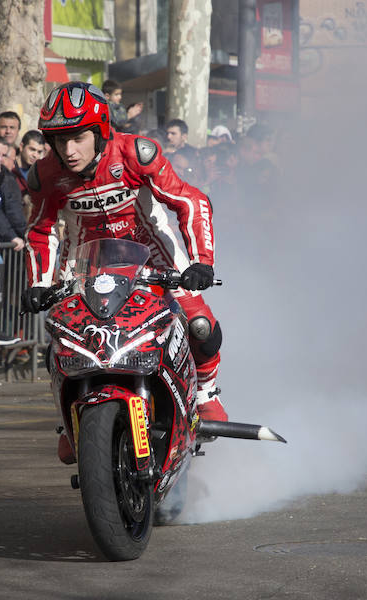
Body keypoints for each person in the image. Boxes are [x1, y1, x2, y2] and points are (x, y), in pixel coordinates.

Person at [23, 82, 227, 441]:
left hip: (154, 257)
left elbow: (189, 201)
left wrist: (201, 262)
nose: (68, 150)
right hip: (85, 267)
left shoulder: (137, 153)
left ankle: (205, 393)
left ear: (101, 130)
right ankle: (73, 416)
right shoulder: (45, 175)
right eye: (59, 140)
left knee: (199, 326)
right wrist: (39, 284)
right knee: (66, 339)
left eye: (78, 138)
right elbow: (40, 232)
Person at [12, 129, 45, 195]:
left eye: (39, 152)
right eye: (32, 149)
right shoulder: (9, 167)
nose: (35, 155)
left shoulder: (40, 173)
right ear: (21, 147)